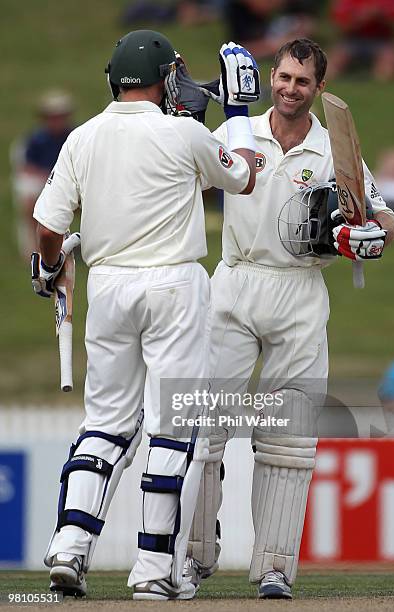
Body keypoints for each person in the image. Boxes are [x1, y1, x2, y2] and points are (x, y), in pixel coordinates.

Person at [31, 30, 259, 600]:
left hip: (108, 287)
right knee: (171, 426)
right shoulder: (183, 131)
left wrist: (48, 268)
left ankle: (69, 547)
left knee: (105, 423)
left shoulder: (81, 137)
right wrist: (236, 109)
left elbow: (48, 227)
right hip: (175, 285)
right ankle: (154, 570)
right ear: (166, 78)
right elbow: (246, 174)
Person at [183, 38, 394, 599]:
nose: (289, 89)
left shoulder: (333, 151)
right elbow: (184, 177)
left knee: (288, 440)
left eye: (302, 82)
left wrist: (373, 236)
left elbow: (382, 216)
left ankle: (274, 566)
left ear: (319, 88)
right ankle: (193, 555)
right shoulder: (236, 134)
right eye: (282, 77)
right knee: (204, 425)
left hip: (300, 293)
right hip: (233, 283)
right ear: (270, 77)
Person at [10, 90, 74, 259]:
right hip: (44, 181)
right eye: (53, 116)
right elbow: (26, 166)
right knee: (29, 201)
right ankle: (33, 250)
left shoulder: (73, 136)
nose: (57, 121)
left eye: (60, 116)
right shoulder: (36, 139)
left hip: (69, 182)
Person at [327, 0, 394, 81]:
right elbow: (339, 28)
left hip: (383, 41)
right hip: (352, 41)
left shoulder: (390, 2)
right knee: (331, 67)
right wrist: (360, 19)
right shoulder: (346, 2)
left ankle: (377, 85)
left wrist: (381, 16)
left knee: (387, 71)